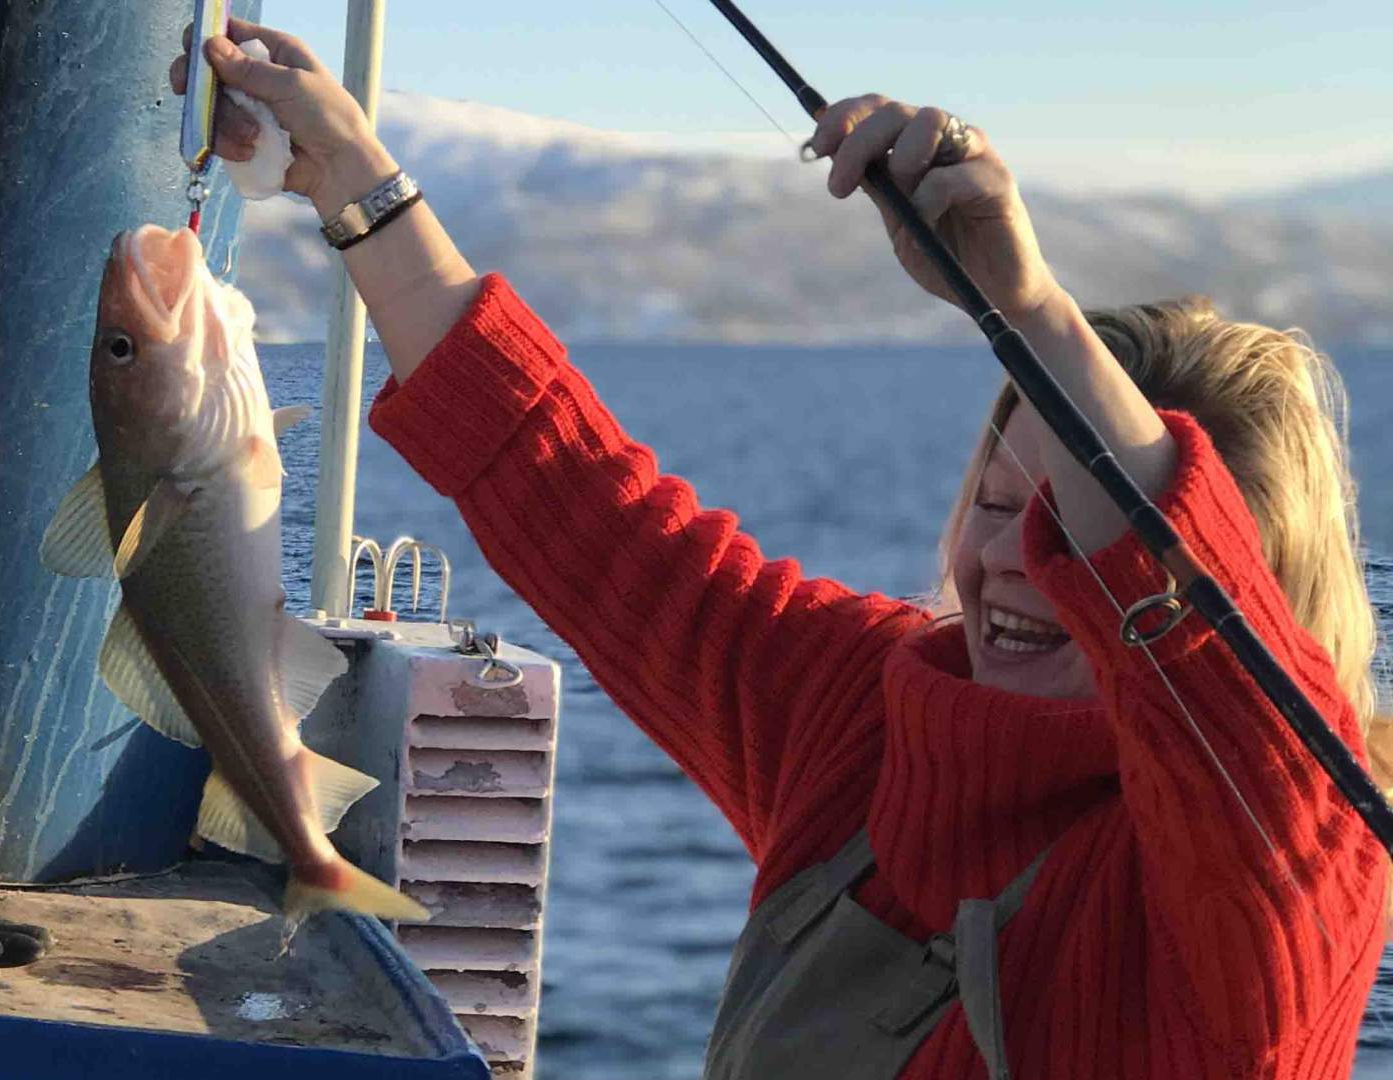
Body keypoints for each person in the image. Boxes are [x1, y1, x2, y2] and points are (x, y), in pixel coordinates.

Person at [173, 20, 1388, 1078]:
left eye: (1078, 534)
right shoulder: (870, 711)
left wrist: (1025, 311)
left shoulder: (1288, 878)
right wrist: (360, 186)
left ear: (1238, 587)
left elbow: (1244, 717)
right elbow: (595, 511)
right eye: (994, 503)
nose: (1015, 558)